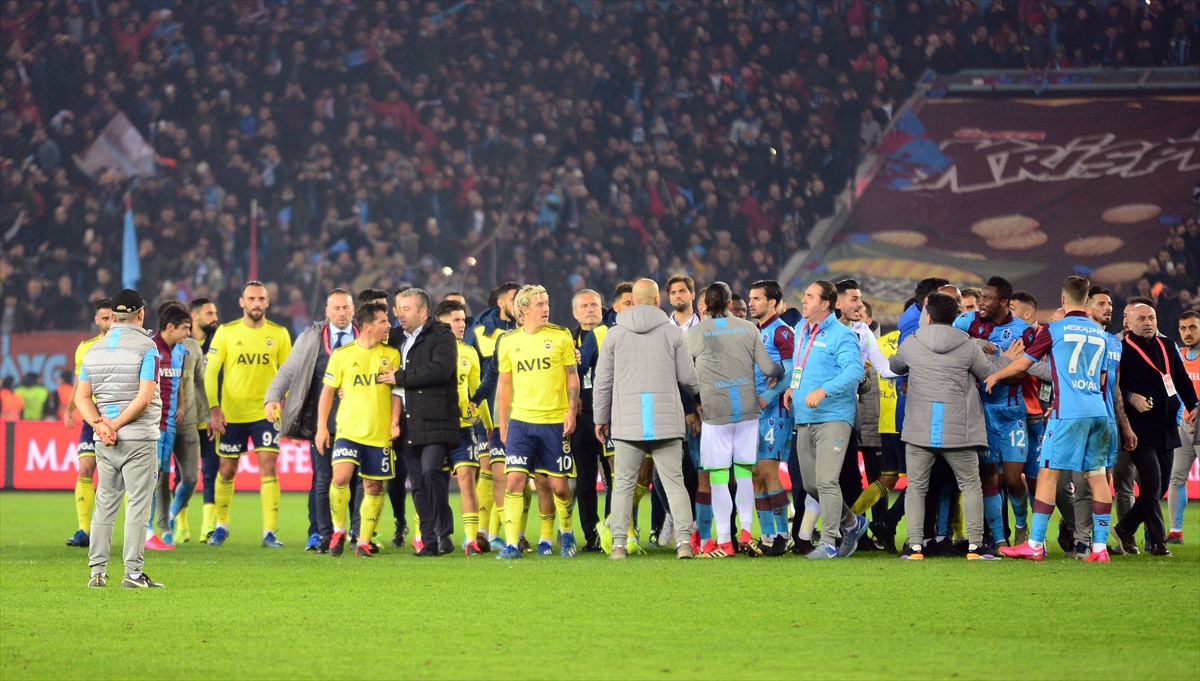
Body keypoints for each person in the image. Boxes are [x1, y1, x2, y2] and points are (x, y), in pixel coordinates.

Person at [989, 276, 1124, 563]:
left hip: (1069, 412)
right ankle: (1100, 548)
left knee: (1048, 474)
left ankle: (1035, 543)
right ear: (1087, 301)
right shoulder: (1101, 335)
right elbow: (1103, 380)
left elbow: (1025, 363)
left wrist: (996, 374)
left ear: (1063, 300)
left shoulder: (1055, 329)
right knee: (1097, 476)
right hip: (1098, 411)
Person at [889, 292, 1017, 560]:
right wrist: (1006, 359)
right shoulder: (969, 345)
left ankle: (914, 547)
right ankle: (975, 546)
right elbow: (988, 373)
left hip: (921, 428)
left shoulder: (912, 343)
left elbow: (895, 366)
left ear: (929, 316)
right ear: (955, 318)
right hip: (959, 428)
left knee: (916, 487)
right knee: (971, 484)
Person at [593, 279, 700, 559]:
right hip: (665, 420)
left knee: (623, 486)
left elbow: (602, 382)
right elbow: (689, 380)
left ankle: (618, 545)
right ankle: (685, 544)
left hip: (627, 423)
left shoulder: (613, 335)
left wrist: (600, 418)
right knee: (675, 483)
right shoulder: (674, 334)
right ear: (657, 301)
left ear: (632, 300)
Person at [687, 282, 784, 558]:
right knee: (743, 473)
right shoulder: (748, 328)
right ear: (730, 305)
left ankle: (725, 541)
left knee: (718, 477)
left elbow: (683, 372)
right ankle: (745, 531)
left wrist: (700, 389)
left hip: (716, 412)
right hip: (747, 411)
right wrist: (778, 372)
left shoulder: (696, 333)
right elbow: (768, 368)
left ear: (704, 306)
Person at [75, 289, 164, 588]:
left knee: (104, 505)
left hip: (105, 441)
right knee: (138, 506)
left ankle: (96, 573)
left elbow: (81, 397)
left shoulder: (94, 350)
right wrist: (115, 424)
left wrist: (100, 425)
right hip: (138, 439)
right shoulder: (147, 348)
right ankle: (133, 574)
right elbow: (143, 398)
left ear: (112, 316)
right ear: (141, 314)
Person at [264, 289, 358, 554]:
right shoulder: (311, 337)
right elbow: (289, 370)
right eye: (336, 308)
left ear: (353, 309)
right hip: (322, 421)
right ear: (326, 311)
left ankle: (357, 534)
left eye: (346, 308)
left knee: (354, 479)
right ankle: (319, 533)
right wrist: (272, 397)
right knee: (323, 477)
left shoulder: (366, 337)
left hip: (358, 420)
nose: (341, 313)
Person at [494, 285, 581, 560]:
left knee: (558, 487)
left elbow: (572, 376)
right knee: (515, 481)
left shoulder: (560, 336)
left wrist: (570, 411)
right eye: (539, 304)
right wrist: (503, 422)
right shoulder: (508, 341)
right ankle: (511, 545)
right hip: (521, 421)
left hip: (555, 421)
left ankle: (564, 534)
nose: (546, 308)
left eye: (547, 302)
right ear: (523, 310)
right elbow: (504, 385)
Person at [203, 281, 293, 548]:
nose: (256, 303)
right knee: (227, 470)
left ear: (267, 302)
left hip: (266, 413)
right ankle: (221, 526)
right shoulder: (226, 332)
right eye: (251, 299)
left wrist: (285, 404)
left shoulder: (279, 334)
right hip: (232, 414)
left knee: (268, 466)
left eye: (261, 299)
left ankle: (269, 532)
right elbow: (210, 373)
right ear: (242, 302)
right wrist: (214, 408)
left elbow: (288, 374)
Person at [785, 281, 867, 559]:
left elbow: (854, 371)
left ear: (825, 305)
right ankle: (852, 523)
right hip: (804, 416)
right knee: (810, 484)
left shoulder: (842, 335)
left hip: (833, 417)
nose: (804, 300)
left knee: (827, 481)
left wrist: (824, 390)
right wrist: (792, 388)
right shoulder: (800, 330)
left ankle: (829, 542)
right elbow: (801, 365)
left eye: (810, 296)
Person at [954, 276, 1038, 548]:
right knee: (988, 476)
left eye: (987, 299)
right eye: (981, 298)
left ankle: (1022, 525)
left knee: (1013, 480)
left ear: (1004, 303)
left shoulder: (1024, 331)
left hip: (1012, 413)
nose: (981, 303)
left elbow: (1019, 376)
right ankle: (1000, 541)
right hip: (981, 413)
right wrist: (992, 354)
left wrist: (993, 367)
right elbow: (953, 353)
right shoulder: (967, 324)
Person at [316, 302, 403, 558]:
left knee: (374, 487)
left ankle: (364, 541)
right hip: (348, 430)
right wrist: (322, 427)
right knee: (340, 477)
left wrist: (395, 421)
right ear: (367, 327)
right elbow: (328, 393)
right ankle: (339, 530)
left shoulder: (392, 355)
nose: (389, 325)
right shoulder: (342, 355)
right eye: (383, 322)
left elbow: (397, 392)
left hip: (379, 433)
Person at [1114, 300, 1198, 556]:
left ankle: (1125, 527)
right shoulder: (1120, 348)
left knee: (1159, 487)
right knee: (1151, 485)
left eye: (1151, 318)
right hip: (1139, 429)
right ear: (1128, 322)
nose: (1148, 322)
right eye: (1142, 319)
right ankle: (1158, 541)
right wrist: (1129, 396)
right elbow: (1113, 386)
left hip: (1166, 427)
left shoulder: (1168, 345)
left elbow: (1181, 380)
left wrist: (1194, 404)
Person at [382, 288, 461, 557]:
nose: (399, 314)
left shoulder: (442, 334)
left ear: (423, 312)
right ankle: (429, 542)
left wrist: (401, 377)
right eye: (398, 309)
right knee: (416, 482)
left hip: (435, 418)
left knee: (430, 472)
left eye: (406, 309)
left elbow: (442, 369)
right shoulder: (394, 338)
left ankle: (443, 531)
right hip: (405, 421)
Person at [464, 282, 520, 551]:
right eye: (514, 298)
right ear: (501, 303)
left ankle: (514, 532)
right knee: (491, 473)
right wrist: (475, 406)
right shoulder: (478, 334)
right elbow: (474, 375)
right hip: (491, 416)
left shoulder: (534, 332)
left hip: (528, 414)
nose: (519, 303)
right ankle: (488, 533)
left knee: (523, 478)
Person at [436, 298, 489, 555]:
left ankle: (470, 540)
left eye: (462, 319)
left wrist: (487, 426)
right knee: (433, 483)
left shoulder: (469, 353)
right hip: (435, 427)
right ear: (442, 323)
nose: (462, 324)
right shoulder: (429, 349)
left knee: (468, 479)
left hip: (463, 428)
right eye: (455, 320)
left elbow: (477, 394)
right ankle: (424, 535)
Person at [747, 280, 795, 556]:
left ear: (772, 302)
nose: (751, 303)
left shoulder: (781, 332)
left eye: (757, 298)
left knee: (767, 470)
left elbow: (789, 372)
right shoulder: (756, 331)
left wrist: (770, 394)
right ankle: (767, 535)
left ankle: (783, 533)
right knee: (756, 474)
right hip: (755, 411)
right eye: (751, 298)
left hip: (775, 410)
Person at [64, 298, 113, 548]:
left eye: (111, 317)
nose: (108, 322)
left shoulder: (126, 347)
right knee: (85, 469)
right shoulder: (85, 348)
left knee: (118, 478)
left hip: (118, 419)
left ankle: (138, 531)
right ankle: (84, 530)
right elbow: (79, 383)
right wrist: (70, 408)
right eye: (104, 318)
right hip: (92, 419)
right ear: (96, 320)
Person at [145, 302, 192, 551]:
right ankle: (146, 530)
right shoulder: (150, 348)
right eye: (185, 328)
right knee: (150, 477)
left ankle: (153, 528)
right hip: (152, 423)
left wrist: (182, 405)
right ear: (170, 326)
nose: (188, 334)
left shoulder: (179, 352)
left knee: (160, 474)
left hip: (170, 423)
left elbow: (179, 379)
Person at [569, 288, 610, 552]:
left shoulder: (612, 336)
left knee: (614, 477)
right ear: (575, 312)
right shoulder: (566, 341)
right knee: (584, 480)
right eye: (584, 306)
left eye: (594, 304)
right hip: (582, 419)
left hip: (608, 417)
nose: (590, 309)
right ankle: (591, 535)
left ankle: (612, 529)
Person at [164, 301, 208, 546]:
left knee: (191, 476)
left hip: (188, 421)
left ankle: (170, 515)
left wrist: (210, 412)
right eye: (184, 328)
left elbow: (198, 382)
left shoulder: (192, 347)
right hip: (160, 422)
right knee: (158, 476)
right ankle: (153, 527)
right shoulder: (155, 349)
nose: (188, 333)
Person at [186, 298, 222, 542]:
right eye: (210, 313)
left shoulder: (220, 342)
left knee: (211, 471)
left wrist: (215, 411)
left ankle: (208, 527)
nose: (215, 317)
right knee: (183, 475)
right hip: (186, 418)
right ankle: (180, 527)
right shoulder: (182, 344)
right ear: (195, 316)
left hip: (211, 418)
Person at [1168, 310, 1200, 544]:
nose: (1187, 333)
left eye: (1193, 327)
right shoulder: (1178, 356)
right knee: (1176, 478)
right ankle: (1175, 531)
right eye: (1183, 328)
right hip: (1183, 426)